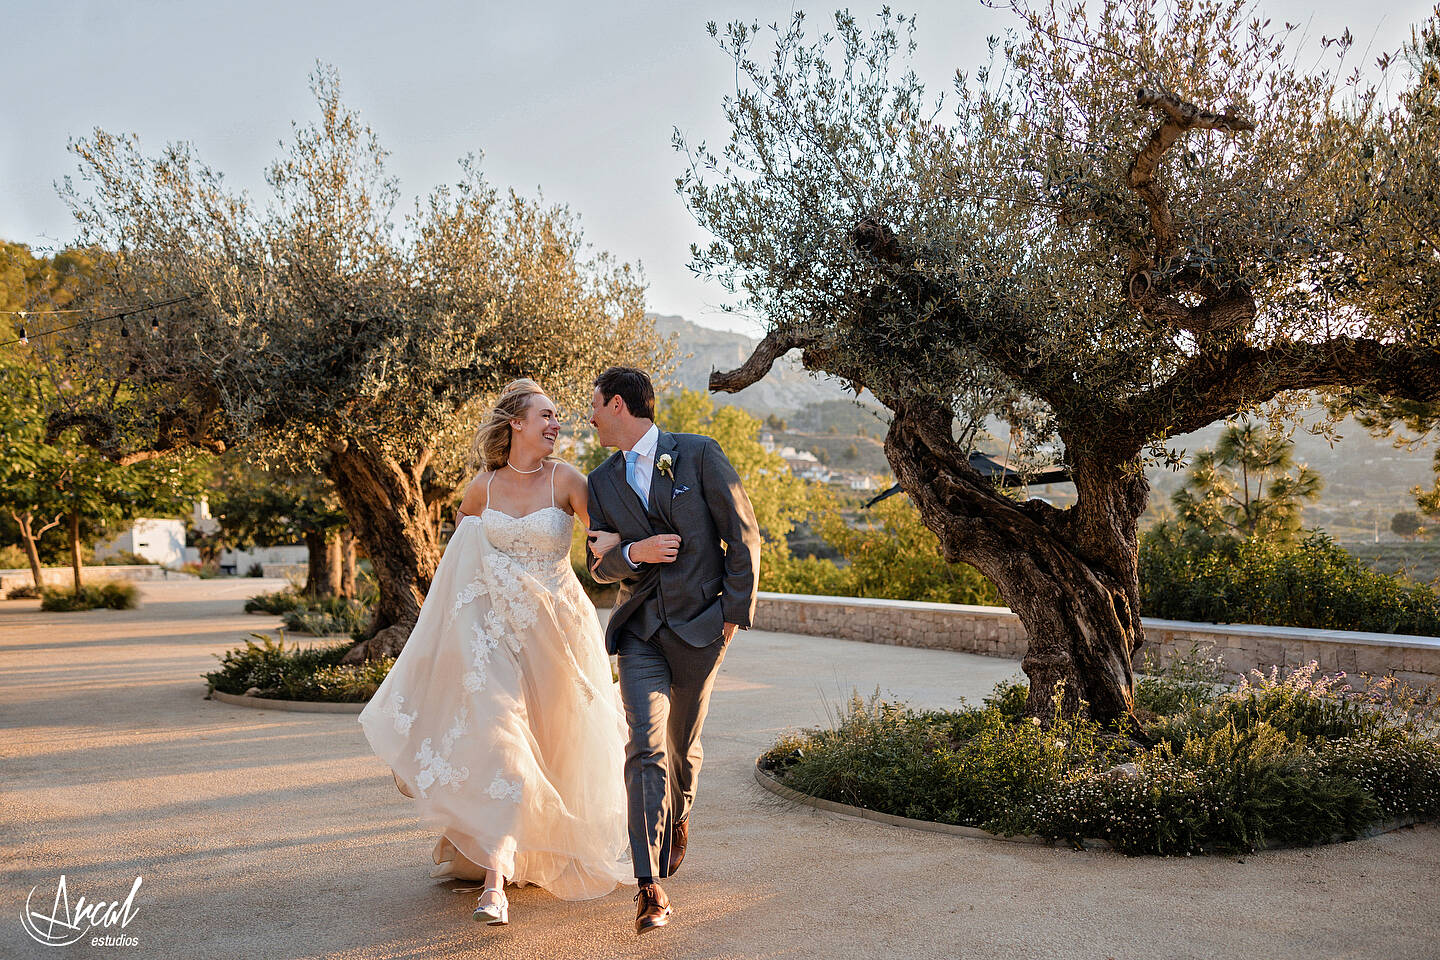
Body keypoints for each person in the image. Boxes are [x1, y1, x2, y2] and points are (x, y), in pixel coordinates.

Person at [358, 378, 629, 928]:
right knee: (504, 745)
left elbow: (605, 554)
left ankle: (515, 850)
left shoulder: (571, 481)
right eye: (547, 414)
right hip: (493, 639)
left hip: (557, 634)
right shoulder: (481, 487)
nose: (557, 423)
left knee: (552, 743)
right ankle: (493, 884)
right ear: (517, 424)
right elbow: (459, 568)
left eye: (558, 416)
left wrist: (633, 555)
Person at [586, 366, 762, 936]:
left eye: (594, 405)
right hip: (639, 632)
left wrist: (730, 619)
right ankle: (647, 887)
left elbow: (743, 536)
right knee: (644, 747)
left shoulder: (698, 454)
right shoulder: (600, 482)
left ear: (618, 404)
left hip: (700, 630)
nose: (588, 416)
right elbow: (599, 564)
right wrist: (635, 552)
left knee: (682, 749)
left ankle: (678, 817)